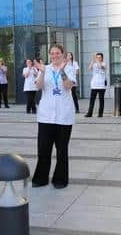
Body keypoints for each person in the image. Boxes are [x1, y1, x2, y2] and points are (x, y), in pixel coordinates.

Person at [32, 44, 76, 189]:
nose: (55, 56)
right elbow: (38, 86)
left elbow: (69, 85)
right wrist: (42, 72)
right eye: (52, 53)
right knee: (43, 149)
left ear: (62, 54)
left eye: (57, 53)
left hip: (64, 116)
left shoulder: (69, 67)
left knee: (62, 150)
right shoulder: (45, 68)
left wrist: (62, 71)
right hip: (46, 116)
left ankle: (60, 179)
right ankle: (41, 178)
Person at [85, 52, 106, 118]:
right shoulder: (94, 64)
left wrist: (96, 59)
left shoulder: (104, 64)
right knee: (92, 100)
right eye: (97, 57)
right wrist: (93, 60)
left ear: (102, 58)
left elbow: (101, 67)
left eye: (100, 57)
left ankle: (100, 114)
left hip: (101, 85)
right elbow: (89, 68)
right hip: (94, 85)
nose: (98, 58)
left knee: (101, 100)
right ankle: (89, 113)